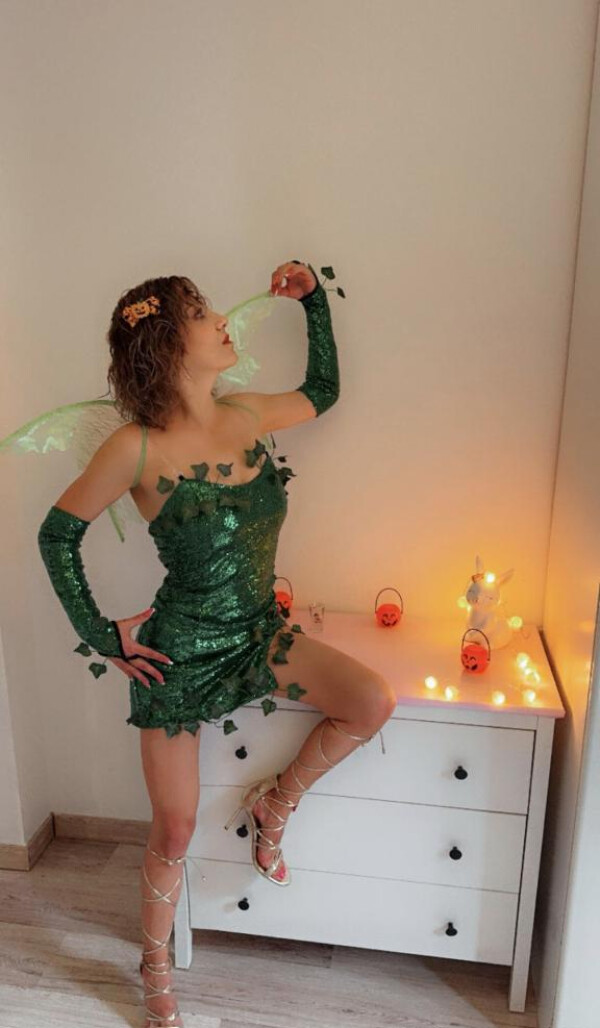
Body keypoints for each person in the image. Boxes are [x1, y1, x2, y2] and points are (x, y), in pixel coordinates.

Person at [37, 259, 396, 1027]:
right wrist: (102, 634)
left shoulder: (248, 414)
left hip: (260, 633)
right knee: (174, 827)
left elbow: (324, 390)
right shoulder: (133, 447)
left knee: (371, 701)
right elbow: (57, 535)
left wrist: (315, 302)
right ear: (169, 344)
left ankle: (275, 807)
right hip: (176, 653)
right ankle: (154, 967)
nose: (222, 320)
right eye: (202, 314)